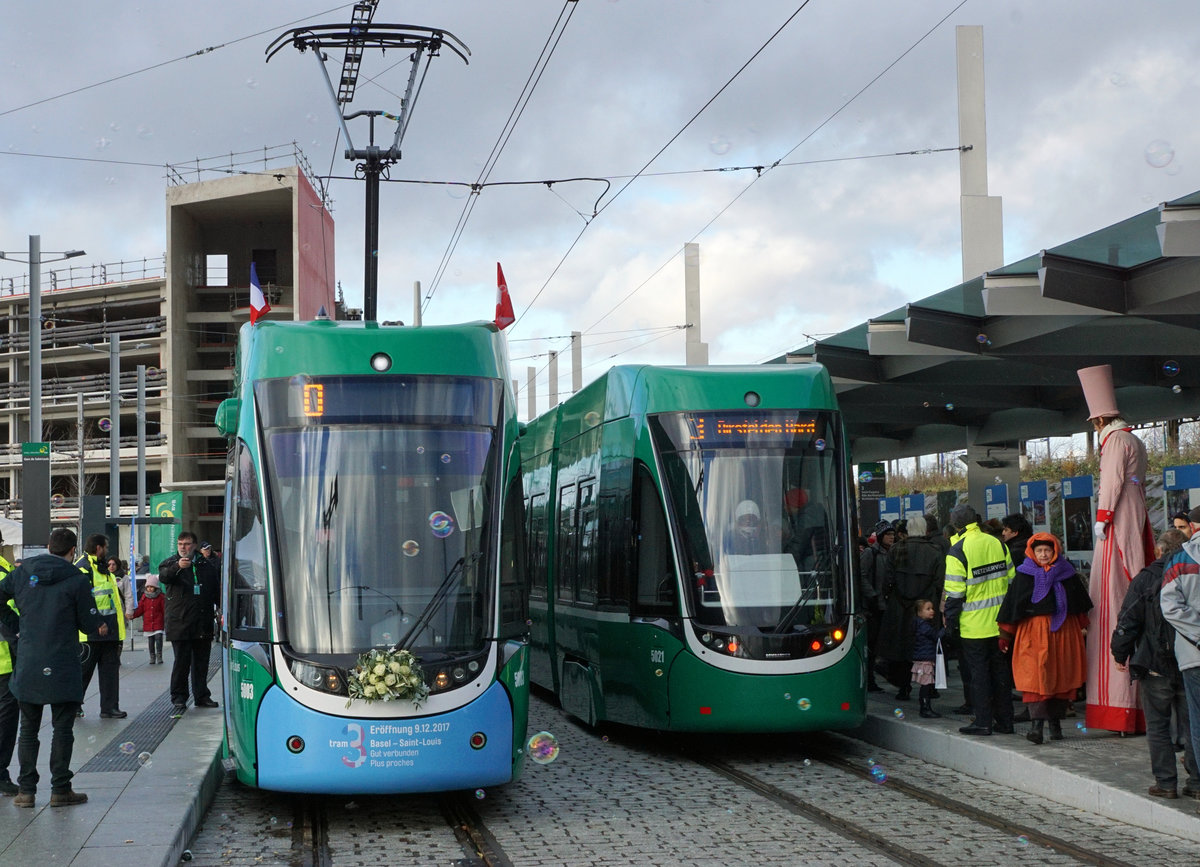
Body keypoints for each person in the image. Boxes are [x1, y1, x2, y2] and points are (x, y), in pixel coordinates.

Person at [0, 528, 106, 807]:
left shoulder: (23, 572)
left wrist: (16, 624)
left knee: (28, 729)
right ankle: (60, 789)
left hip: (29, 659)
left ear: (48, 547)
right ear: (72, 551)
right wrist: (95, 623)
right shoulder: (77, 578)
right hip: (62, 661)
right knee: (62, 729)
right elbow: (88, 624)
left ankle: (26, 792)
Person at [1078, 364, 1154, 734]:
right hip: (1136, 515)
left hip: (1118, 519)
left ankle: (1115, 706)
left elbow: (1111, 483)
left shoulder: (1114, 443)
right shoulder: (1135, 441)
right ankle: (1137, 708)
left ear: (1099, 420)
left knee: (1110, 602)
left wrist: (1103, 517)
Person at [1113, 528, 1200, 799]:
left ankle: (1166, 783)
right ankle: (1196, 782)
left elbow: (1128, 619)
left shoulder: (1145, 578)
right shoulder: (1190, 570)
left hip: (1154, 661)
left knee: (1158, 726)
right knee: (1193, 723)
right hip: (1188, 659)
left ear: (1158, 551)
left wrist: (1119, 653)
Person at [997, 533, 1091, 745]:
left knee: (1060, 677)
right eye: (1039, 551)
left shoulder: (1067, 574)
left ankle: (1055, 725)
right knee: (1035, 677)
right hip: (1033, 633)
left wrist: (1084, 626)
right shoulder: (1024, 575)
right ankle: (1037, 727)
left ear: (1055, 551)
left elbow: (1079, 606)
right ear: (1031, 552)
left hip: (1063, 632)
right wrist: (1005, 635)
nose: (1043, 555)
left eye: (1047, 550)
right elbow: (1013, 605)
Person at [944, 503, 1015, 736]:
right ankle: (1005, 721)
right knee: (1001, 673)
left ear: (956, 525)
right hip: (1000, 624)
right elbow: (1011, 580)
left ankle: (983, 721)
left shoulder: (957, 550)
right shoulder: (996, 542)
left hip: (973, 627)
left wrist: (950, 623)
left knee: (979, 676)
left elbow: (954, 594)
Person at [878, 515, 944, 699]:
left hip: (899, 606)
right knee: (926, 647)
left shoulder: (896, 549)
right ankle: (928, 688)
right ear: (924, 530)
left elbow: (888, 579)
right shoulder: (935, 551)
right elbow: (939, 582)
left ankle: (903, 687)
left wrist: (889, 599)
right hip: (925, 606)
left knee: (902, 648)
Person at [1160, 506, 1200, 788]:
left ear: (1193, 527)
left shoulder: (1180, 559)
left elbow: (1171, 607)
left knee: (1198, 722)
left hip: (1193, 655)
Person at [159, 531, 220, 712]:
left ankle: (202, 695)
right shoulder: (170, 563)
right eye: (180, 544)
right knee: (181, 662)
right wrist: (177, 567)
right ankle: (179, 696)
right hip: (180, 622)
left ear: (194, 546)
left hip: (202, 621)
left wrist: (221, 609)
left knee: (201, 663)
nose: (183, 547)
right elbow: (164, 577)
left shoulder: (206, 565)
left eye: (186, 544)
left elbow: (215, 589)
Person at [76, 534, 127, 719]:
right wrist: (97, 622)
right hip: (91, 633)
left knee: (110, 672)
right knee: (83, 673)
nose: (107, 550)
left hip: (110, 630)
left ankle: (109, 707)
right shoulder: (84, 567)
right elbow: (83, 599)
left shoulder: (103, 567)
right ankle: (73, 706)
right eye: (105, 547)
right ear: (98, 548)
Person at [859, 521, 895, 693]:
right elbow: (861, 575)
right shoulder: (870, 553)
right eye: (888, 534)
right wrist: (871, 595)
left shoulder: (891, 553)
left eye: (893, 534)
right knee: (872, 645)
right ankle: (869, 680)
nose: (891, 537)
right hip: (873, 607)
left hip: (885, 605)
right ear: (880, 536)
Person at [911, 598, 943, 718]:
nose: (932, 611)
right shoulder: (924, 626)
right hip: (925, 659)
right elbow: (936, 636)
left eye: (932, 608)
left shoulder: (920, 624)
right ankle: (925, 708)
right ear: (919, 612)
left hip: (923, 658)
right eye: (928, 609)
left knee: (926, 684)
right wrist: (945, 629)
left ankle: (925, 707)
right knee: (926, 684)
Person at [127, 575, 166, 664]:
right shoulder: (144, 597)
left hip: (158, 622)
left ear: (155, 587)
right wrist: (133, 615)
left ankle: (159, 655)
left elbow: (164, 609)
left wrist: (167, 619)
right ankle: (152, 656)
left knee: (158, 638)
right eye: (148, 587)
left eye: (151, 587)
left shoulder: (161, 597)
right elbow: (140, 609)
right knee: (151, 641)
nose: (149, 589)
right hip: (148, 623)